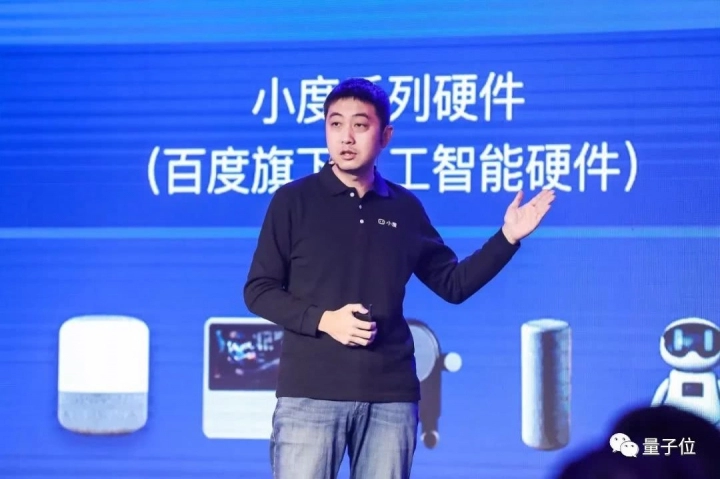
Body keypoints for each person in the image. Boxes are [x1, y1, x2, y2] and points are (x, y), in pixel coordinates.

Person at [243, 77, 555, 479]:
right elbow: (259, 290)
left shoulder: (404, 207)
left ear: (385, 136)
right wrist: (325, 320)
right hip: (311, 393)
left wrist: (507, 237)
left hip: (390, 397)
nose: (346, 137)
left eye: (360, 125)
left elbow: (453, 284)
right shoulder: (294, 200)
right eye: (335, 124)